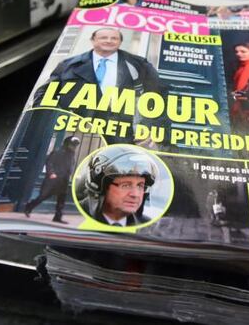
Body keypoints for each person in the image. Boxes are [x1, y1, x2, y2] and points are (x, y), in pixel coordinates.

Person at [32, 27, 164, 143]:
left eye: (114, 38)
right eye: (103, 37)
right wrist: (48, 121)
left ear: (120, 42)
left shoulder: (138, 64)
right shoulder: (68, 65)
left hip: (121, 136)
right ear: (93, 40)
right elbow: (44, 94)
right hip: (75, 133)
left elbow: (160, 96)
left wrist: (151, 128)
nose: (109, 40)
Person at [80, 146, 157, 226]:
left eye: (140, 186)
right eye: (126, 185)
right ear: (101, 187)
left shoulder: (149, 227)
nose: (135, 194)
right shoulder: (75, 215)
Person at [23, 136, 81, 223]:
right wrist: (51, 173)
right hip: (53, 179)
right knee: (43, 196)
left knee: (61, 199)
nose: (74, 147)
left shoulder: (71, 154)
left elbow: (70, 165)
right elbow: (49, 162)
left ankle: (57, 217)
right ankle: (29, 207)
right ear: (67, 143)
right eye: (72, 145)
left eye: (75, 145)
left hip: (64, 179)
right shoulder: (58, 151)